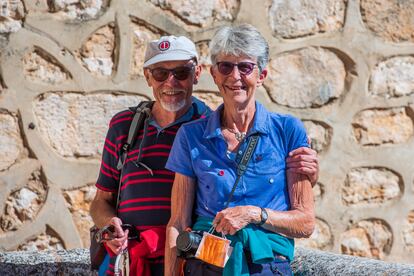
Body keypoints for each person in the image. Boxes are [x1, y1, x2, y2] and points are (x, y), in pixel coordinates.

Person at [90, 34, 318, 275]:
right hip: (140, 258)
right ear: (148, 76)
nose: (171, 82)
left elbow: (303, 214)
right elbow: (102, 201)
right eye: (160, 73)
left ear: (197, 74)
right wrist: (107, 224)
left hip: (225, 259)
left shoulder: (210, 126)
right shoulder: (131, 127)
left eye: (181, 73)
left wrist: (306, 176)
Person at [165, 24, 315, 276]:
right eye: (226, 66)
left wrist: (254, 214)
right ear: (214, 74)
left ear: (261, 75)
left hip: (266, 266)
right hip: (208, 265)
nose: (235, 76)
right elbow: (178, 223)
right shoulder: (191, 136)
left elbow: (305, 223)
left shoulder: (288, 130)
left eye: (245, 67)